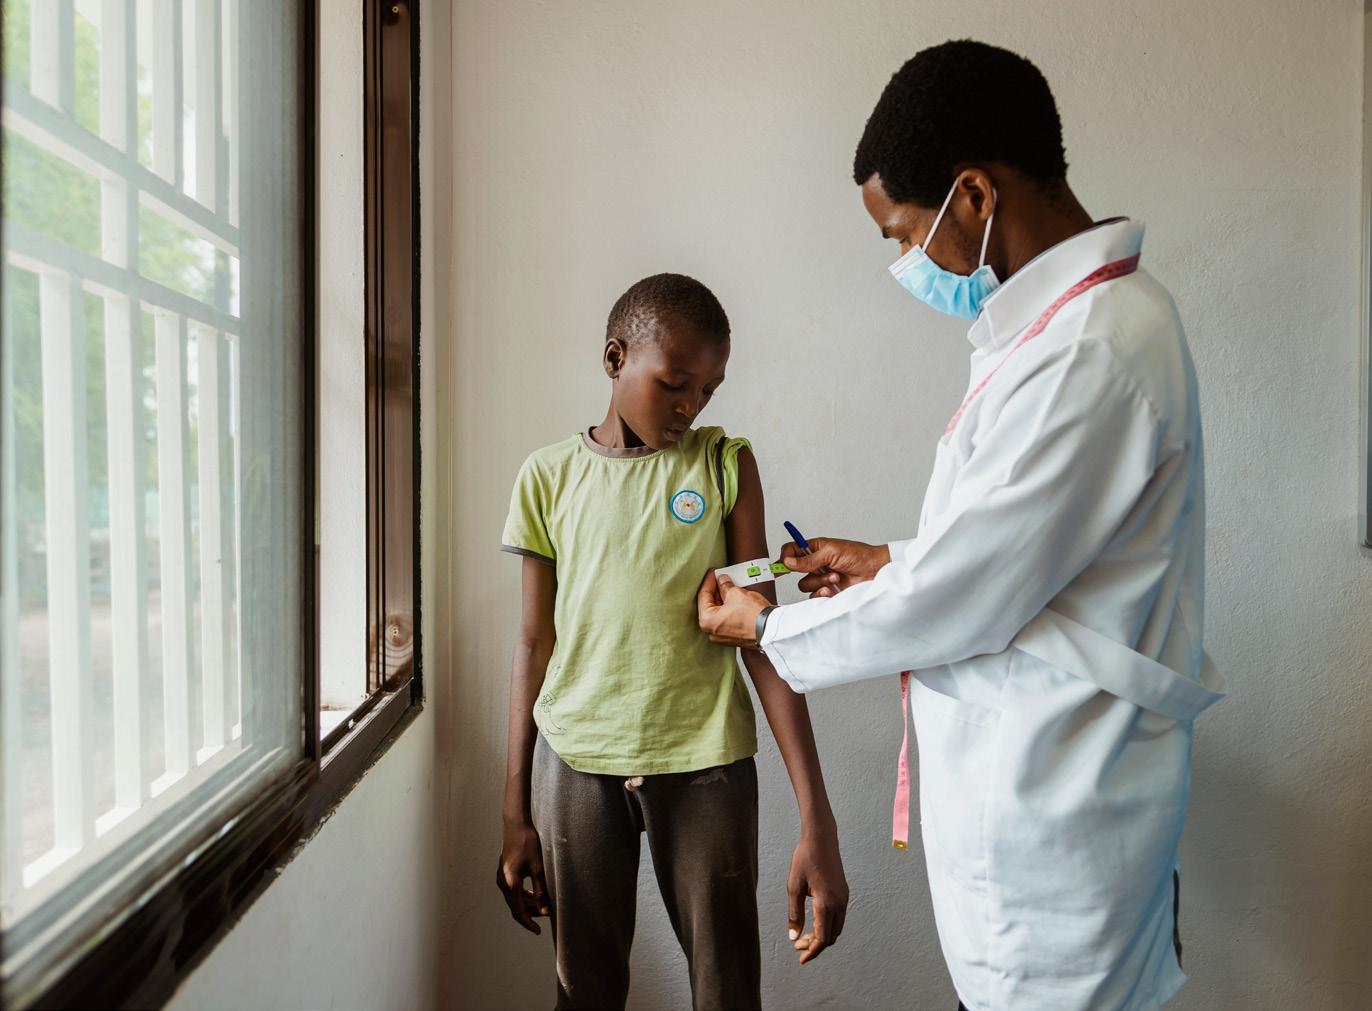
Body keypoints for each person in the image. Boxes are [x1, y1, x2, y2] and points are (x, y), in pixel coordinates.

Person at [697, 40, 1224, 1011]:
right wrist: (888, 561)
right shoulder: (1071, 331)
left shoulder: (1091, 353)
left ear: (973, 195)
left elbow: (962, 594)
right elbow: (1018, 554)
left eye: (904, 233)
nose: (907, 263)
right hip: (1047, 812)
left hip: (1056, 842)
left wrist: (770, 626)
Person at [497, 273, 848, 1010]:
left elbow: (761, 639)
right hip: (576, 759)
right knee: (583, 988)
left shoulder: (723, 463)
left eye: (708, 391)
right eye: (675, 384)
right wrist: (513, 809)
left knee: (726, 989)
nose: (691, 408)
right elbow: (533, 644)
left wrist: (817, 816)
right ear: (615, 358)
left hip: (705, 762)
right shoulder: (547, 477)